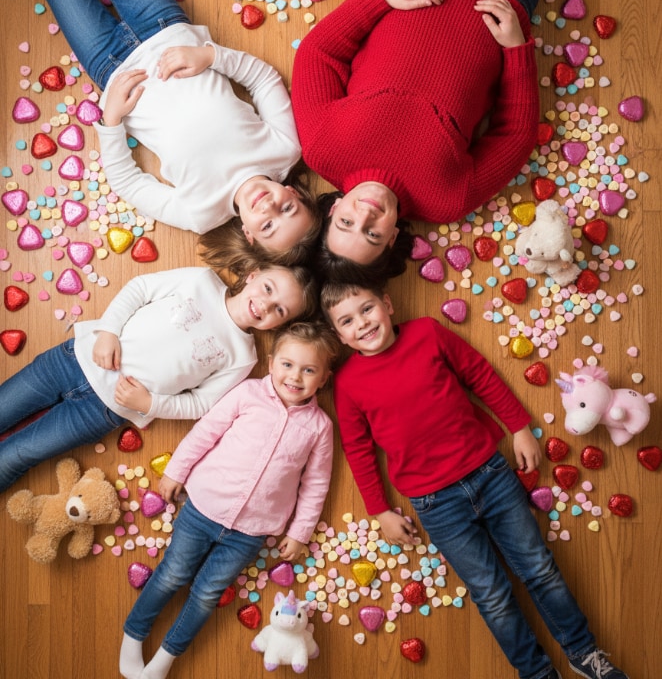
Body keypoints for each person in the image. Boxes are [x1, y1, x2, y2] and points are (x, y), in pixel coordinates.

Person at [0, 0, 321, 264]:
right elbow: (264, 78)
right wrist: (209, 56)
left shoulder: (202, 214)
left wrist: (112, 118)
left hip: (109, 62)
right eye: (288, 210)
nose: (269, 207)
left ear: (249, 236)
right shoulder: (285, 150)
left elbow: (128, 183)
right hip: (162, 26)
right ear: (298, 195)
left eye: (267, 226)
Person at [321, 281, 629, 679]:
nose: (362, 323)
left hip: (490, 474)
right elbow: (359, 450)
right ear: (339, 335)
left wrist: (518, 426)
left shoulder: (427, 333)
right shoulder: (348, 383)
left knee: (539, 569)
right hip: (435, 503)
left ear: (387, 303)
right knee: (492, 594)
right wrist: (379, 510)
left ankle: (584, 653)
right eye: (347, 320)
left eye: (366, 309)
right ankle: (536, 673)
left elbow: (479, 375)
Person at [292, 0, 576, 281]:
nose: (365, 215)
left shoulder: (323, 150)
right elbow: (514, 136)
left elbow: (317, 55)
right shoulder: (446, 199)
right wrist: (516, 50)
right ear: (392, 240)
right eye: (372, 234)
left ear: (333, 210)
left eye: (346, 223)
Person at [118, 320, 340, 679]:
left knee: (206, 594)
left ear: (323, 379)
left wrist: (299, 532)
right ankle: (133, 635)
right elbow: (206, 431)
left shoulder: (319, 426)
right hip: (204, 508)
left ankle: (164, 659)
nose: (295, 376)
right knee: (171, 575)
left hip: (250, 533)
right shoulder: (247, 393)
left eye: (309, 369)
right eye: (287, 364)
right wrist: (176, 470)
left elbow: (316, 483)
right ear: (271, 363)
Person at [0, 262, 318, 493]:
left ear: (278, 325)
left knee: (18, 456)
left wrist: (150, 403)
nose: (265, 304)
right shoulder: (200, 281)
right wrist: (108, 331)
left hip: (99, 413)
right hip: (72, 360)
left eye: (279, 310)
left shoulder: (244, 356)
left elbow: (200, 404)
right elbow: (140, 289)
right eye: (267, 288)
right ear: (254, 275)